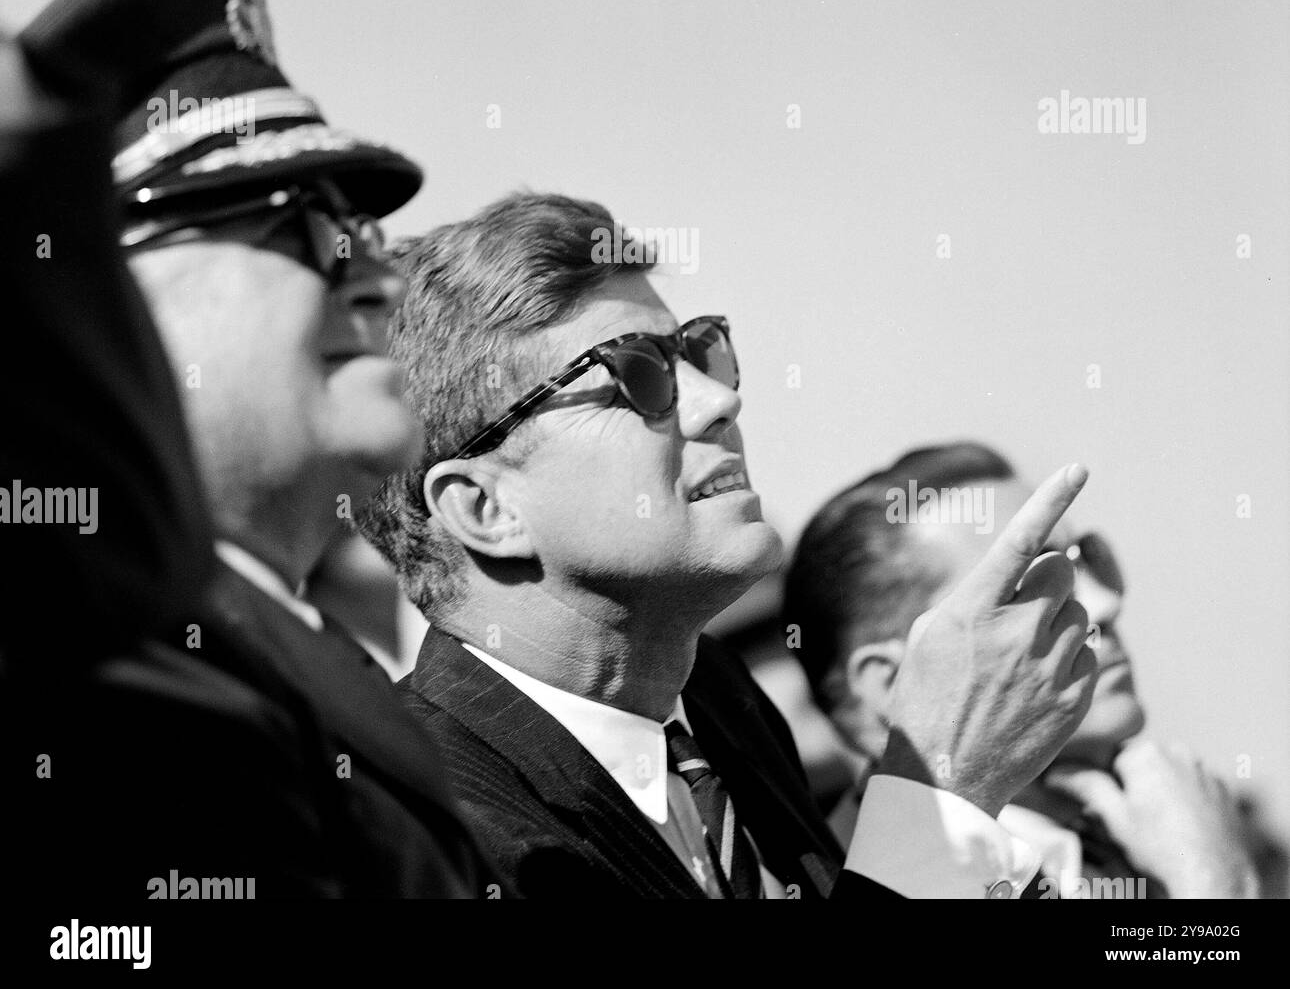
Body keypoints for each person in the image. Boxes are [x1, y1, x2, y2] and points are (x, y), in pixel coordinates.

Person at [359, 192, 1099, 898]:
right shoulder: (421, 827)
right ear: (485, 507)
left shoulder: (713, 698)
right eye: (636, 375)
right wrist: (940, 795)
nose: (720, 401)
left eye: (699, 352)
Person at [4, 0, 487, 898]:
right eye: (310, 224)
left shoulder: (284, 654)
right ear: (120, 291)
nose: (379, 279)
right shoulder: (116, 675)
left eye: (369, 232)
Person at [782, 440, 1264, 898]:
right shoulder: (839, 883)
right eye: (1036, 586)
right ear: (892, 684)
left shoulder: (1156, 837)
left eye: (1087, 558)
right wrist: (1217, 886)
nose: (1103, 603)